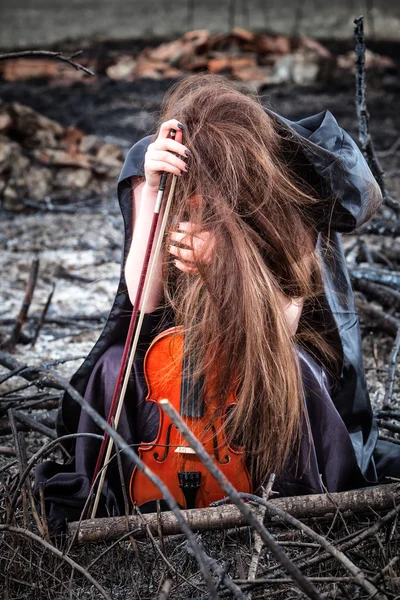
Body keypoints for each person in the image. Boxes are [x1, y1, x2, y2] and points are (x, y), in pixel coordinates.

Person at [35, 74, 400, 532]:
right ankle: (124, 485)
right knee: (114, 364)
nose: (197, 203)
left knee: (298, 370)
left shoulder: (285, 189)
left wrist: (222, 263)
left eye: (212, 197)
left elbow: (284, 326)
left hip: (261, 350)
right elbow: (143, 299)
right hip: (173, 361)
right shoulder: (158, 171)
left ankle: (279, 489)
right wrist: (151, 192)